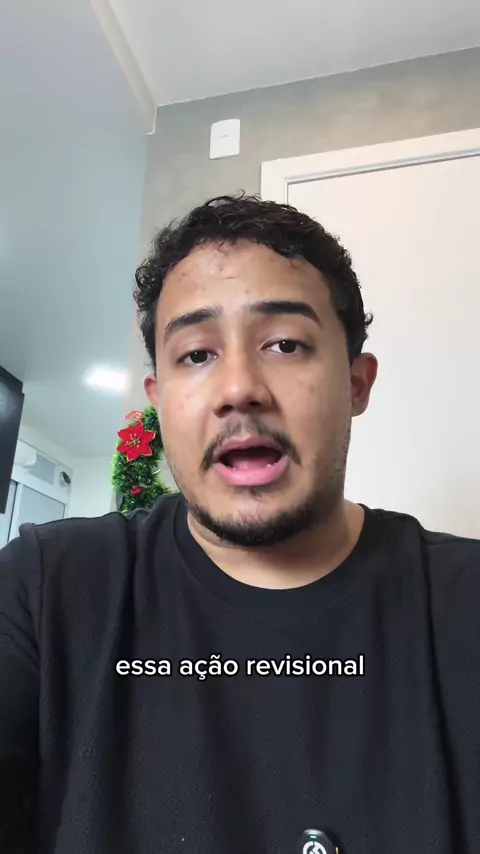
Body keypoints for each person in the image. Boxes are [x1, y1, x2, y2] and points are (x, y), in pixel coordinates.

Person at [0, 195, 479, 854]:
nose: (238, 389)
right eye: (196, 354)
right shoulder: (45, 588)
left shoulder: (464, 602)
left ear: (356, 383)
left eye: (285, 344)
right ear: (159, 403)